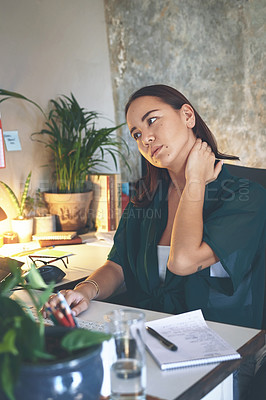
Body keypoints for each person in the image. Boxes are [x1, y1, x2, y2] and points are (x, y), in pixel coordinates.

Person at [45, 84, 266, 329]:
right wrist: (85, 290)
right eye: (136, 134)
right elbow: (117, 266)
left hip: (223, 343)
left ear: (187, 116)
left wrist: (194, 181)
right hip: (150, 334)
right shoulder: (146, 199)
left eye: (152, 120)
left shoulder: (247, 197)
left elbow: (182, 262)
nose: (146, 138)